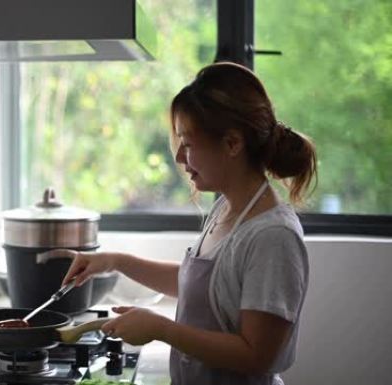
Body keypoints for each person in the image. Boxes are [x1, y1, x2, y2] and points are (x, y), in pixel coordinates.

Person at [47, 62, 317, 385]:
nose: (180, 159)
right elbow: (201, 288)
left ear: (232, 144)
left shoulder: (273, 237)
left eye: (187, 144)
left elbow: (259, 355)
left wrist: (162, 329)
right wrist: (114, 261)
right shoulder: (225, 209)